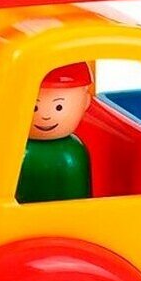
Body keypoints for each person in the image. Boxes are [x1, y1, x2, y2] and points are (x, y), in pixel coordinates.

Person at [16, 62, 93, 203]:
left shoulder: (73, 152)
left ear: (85, 102)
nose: (45, 116)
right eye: (35, 107)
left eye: (58, 107)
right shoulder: (18, 149)